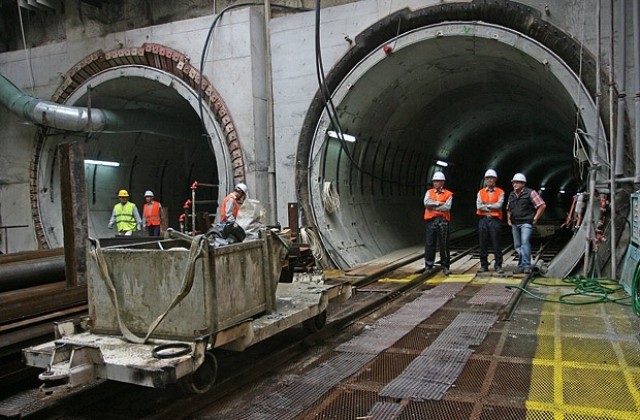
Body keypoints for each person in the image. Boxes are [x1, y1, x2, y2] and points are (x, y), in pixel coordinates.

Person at [506, 173, 546, 274]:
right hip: (515, 223)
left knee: (524, 243)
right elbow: (508, 208)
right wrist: (508, 219)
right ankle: (521, 265)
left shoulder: (530, 193)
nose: (514, 184)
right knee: (517, 245)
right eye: (513, 182)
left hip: (526, 223)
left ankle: (526, 265)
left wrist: (535, 218)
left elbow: (542, 205)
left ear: (523, 183)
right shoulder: (512, 194)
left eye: (517, 182)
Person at [423, 171, 453, 275]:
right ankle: (428, 266)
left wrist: (434, 207)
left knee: (444, 245)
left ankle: (445, 266)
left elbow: (447, 207)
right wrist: (438, 203)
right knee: (430, 243)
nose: (435, 183)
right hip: (431, 221)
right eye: (434, 181)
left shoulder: (448, 194)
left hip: (443, 221)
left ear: (442, 182)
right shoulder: (429, 192)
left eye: (438, 181)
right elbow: (426, 203)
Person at [476, 169, 505, 273]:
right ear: (485, 180)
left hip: (495, 220)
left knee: (496, 243)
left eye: (491, 178)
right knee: (483, 243)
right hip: (483, 220)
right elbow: (479, 206)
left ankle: (498, 265)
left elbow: (499, 205)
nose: (489, 180)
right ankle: (484, 265)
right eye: (488, 178)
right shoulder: (481, 192)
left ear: (495, 180)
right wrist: (491, 207)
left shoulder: (500, 192)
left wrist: (486, 206)